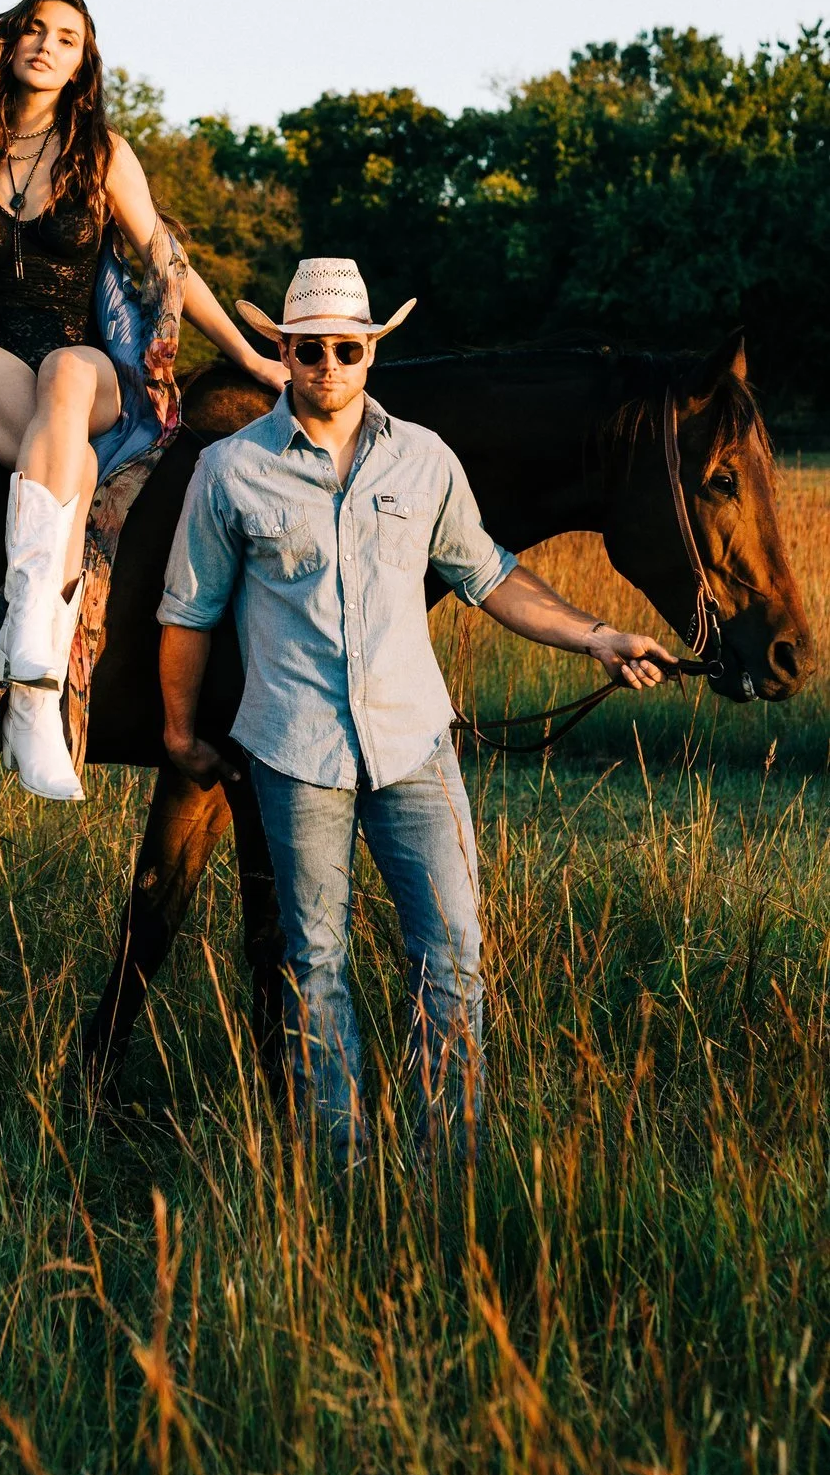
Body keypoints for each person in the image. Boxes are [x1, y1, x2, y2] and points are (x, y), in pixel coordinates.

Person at [155, 256, 674, 1164]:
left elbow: (489, 574)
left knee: (454, 952)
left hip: (413, 750)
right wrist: (177, 733)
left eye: (345, 349)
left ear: (370, 352)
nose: (327, 365)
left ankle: (447, 1158)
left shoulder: (424, 458)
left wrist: (596, 636)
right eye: (308, 349)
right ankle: (338, 1159)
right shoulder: (230, 471)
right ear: (283, 351)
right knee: (314, 961)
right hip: (295, 752)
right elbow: (187, 614)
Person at [0, 0, 283, 802]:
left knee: (65, 372)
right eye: (35, 30)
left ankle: (25, 638)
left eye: (66, 38)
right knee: (55, 446)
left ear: (82, 63)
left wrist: (249, 356)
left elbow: (167, 265)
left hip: (90, 373)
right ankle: (36, 688)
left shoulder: (102, 153)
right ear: (8, 43)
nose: (46, 46)